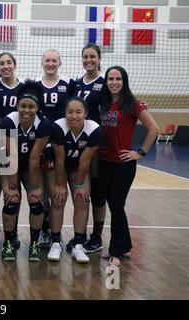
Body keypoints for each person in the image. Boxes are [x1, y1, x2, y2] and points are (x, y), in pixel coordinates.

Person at [98, 66, 159, 266]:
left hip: (123, 164)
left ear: (124, 81)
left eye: (118, 78)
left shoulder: (132, 104)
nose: (114, 82)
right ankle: (124, 245)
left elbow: (153, 129)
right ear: (106, 82)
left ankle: (116, 251)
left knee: (117, 205)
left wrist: (139, 153)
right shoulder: (103, 103)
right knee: (115, 206)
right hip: (103, 162)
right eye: (110, 79)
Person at [0, 80, 50, 262]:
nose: (26, 110)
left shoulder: (43, 124)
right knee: (12, 201)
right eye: (23, 106)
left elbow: (35, 158)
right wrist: (12, 183)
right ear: (17, 105)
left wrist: (35, 187)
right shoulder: (8, 121)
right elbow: (11, 156)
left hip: (30, 166)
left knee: (36, 202)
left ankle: (34, 243)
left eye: (31, 106)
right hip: (9, 164)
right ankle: (9, 242)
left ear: (37, 107)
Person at [50, 97, 102, 263]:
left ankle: (79, 244)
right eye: (70, 112)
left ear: (85, 113)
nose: (74, 116)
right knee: (58, 199)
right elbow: (59, 160)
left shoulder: (94, 129)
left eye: (78, 112)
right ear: (65, 113)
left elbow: (85, 160)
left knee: (82, 199)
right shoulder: (58, 127)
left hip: (77, 167)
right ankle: (56, 242)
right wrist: (60, 185)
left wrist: (80, 185)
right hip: (58, 166)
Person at [36, 49, 76, 250]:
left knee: (55, 193)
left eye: (54, 60)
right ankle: (44, 230)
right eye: (47, 60)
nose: (50, 63)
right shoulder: (35, 84)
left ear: (60, 62)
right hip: (39, 143)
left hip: (60, 145)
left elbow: (80, 107)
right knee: (41, 194)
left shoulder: (69, 84)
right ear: (42, 63)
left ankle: (55, 235)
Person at [0, 52, 24, 248]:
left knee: (13, 187)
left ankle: (12, 231)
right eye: (2, 63)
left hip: (16, 141)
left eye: (9, 62)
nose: (6, 66)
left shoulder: (23, 86)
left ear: (14, 65)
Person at [75, 44, 107, 253]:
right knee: (82, 191)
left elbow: (117, 103)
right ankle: (81, 236)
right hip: (78, 144)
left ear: (99, 59)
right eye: (85, 57)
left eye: (92, 57)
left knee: (97, 193)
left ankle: (96, 236)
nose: (89, 60)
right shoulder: (77, 83)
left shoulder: (105, 83)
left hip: (97, 145)